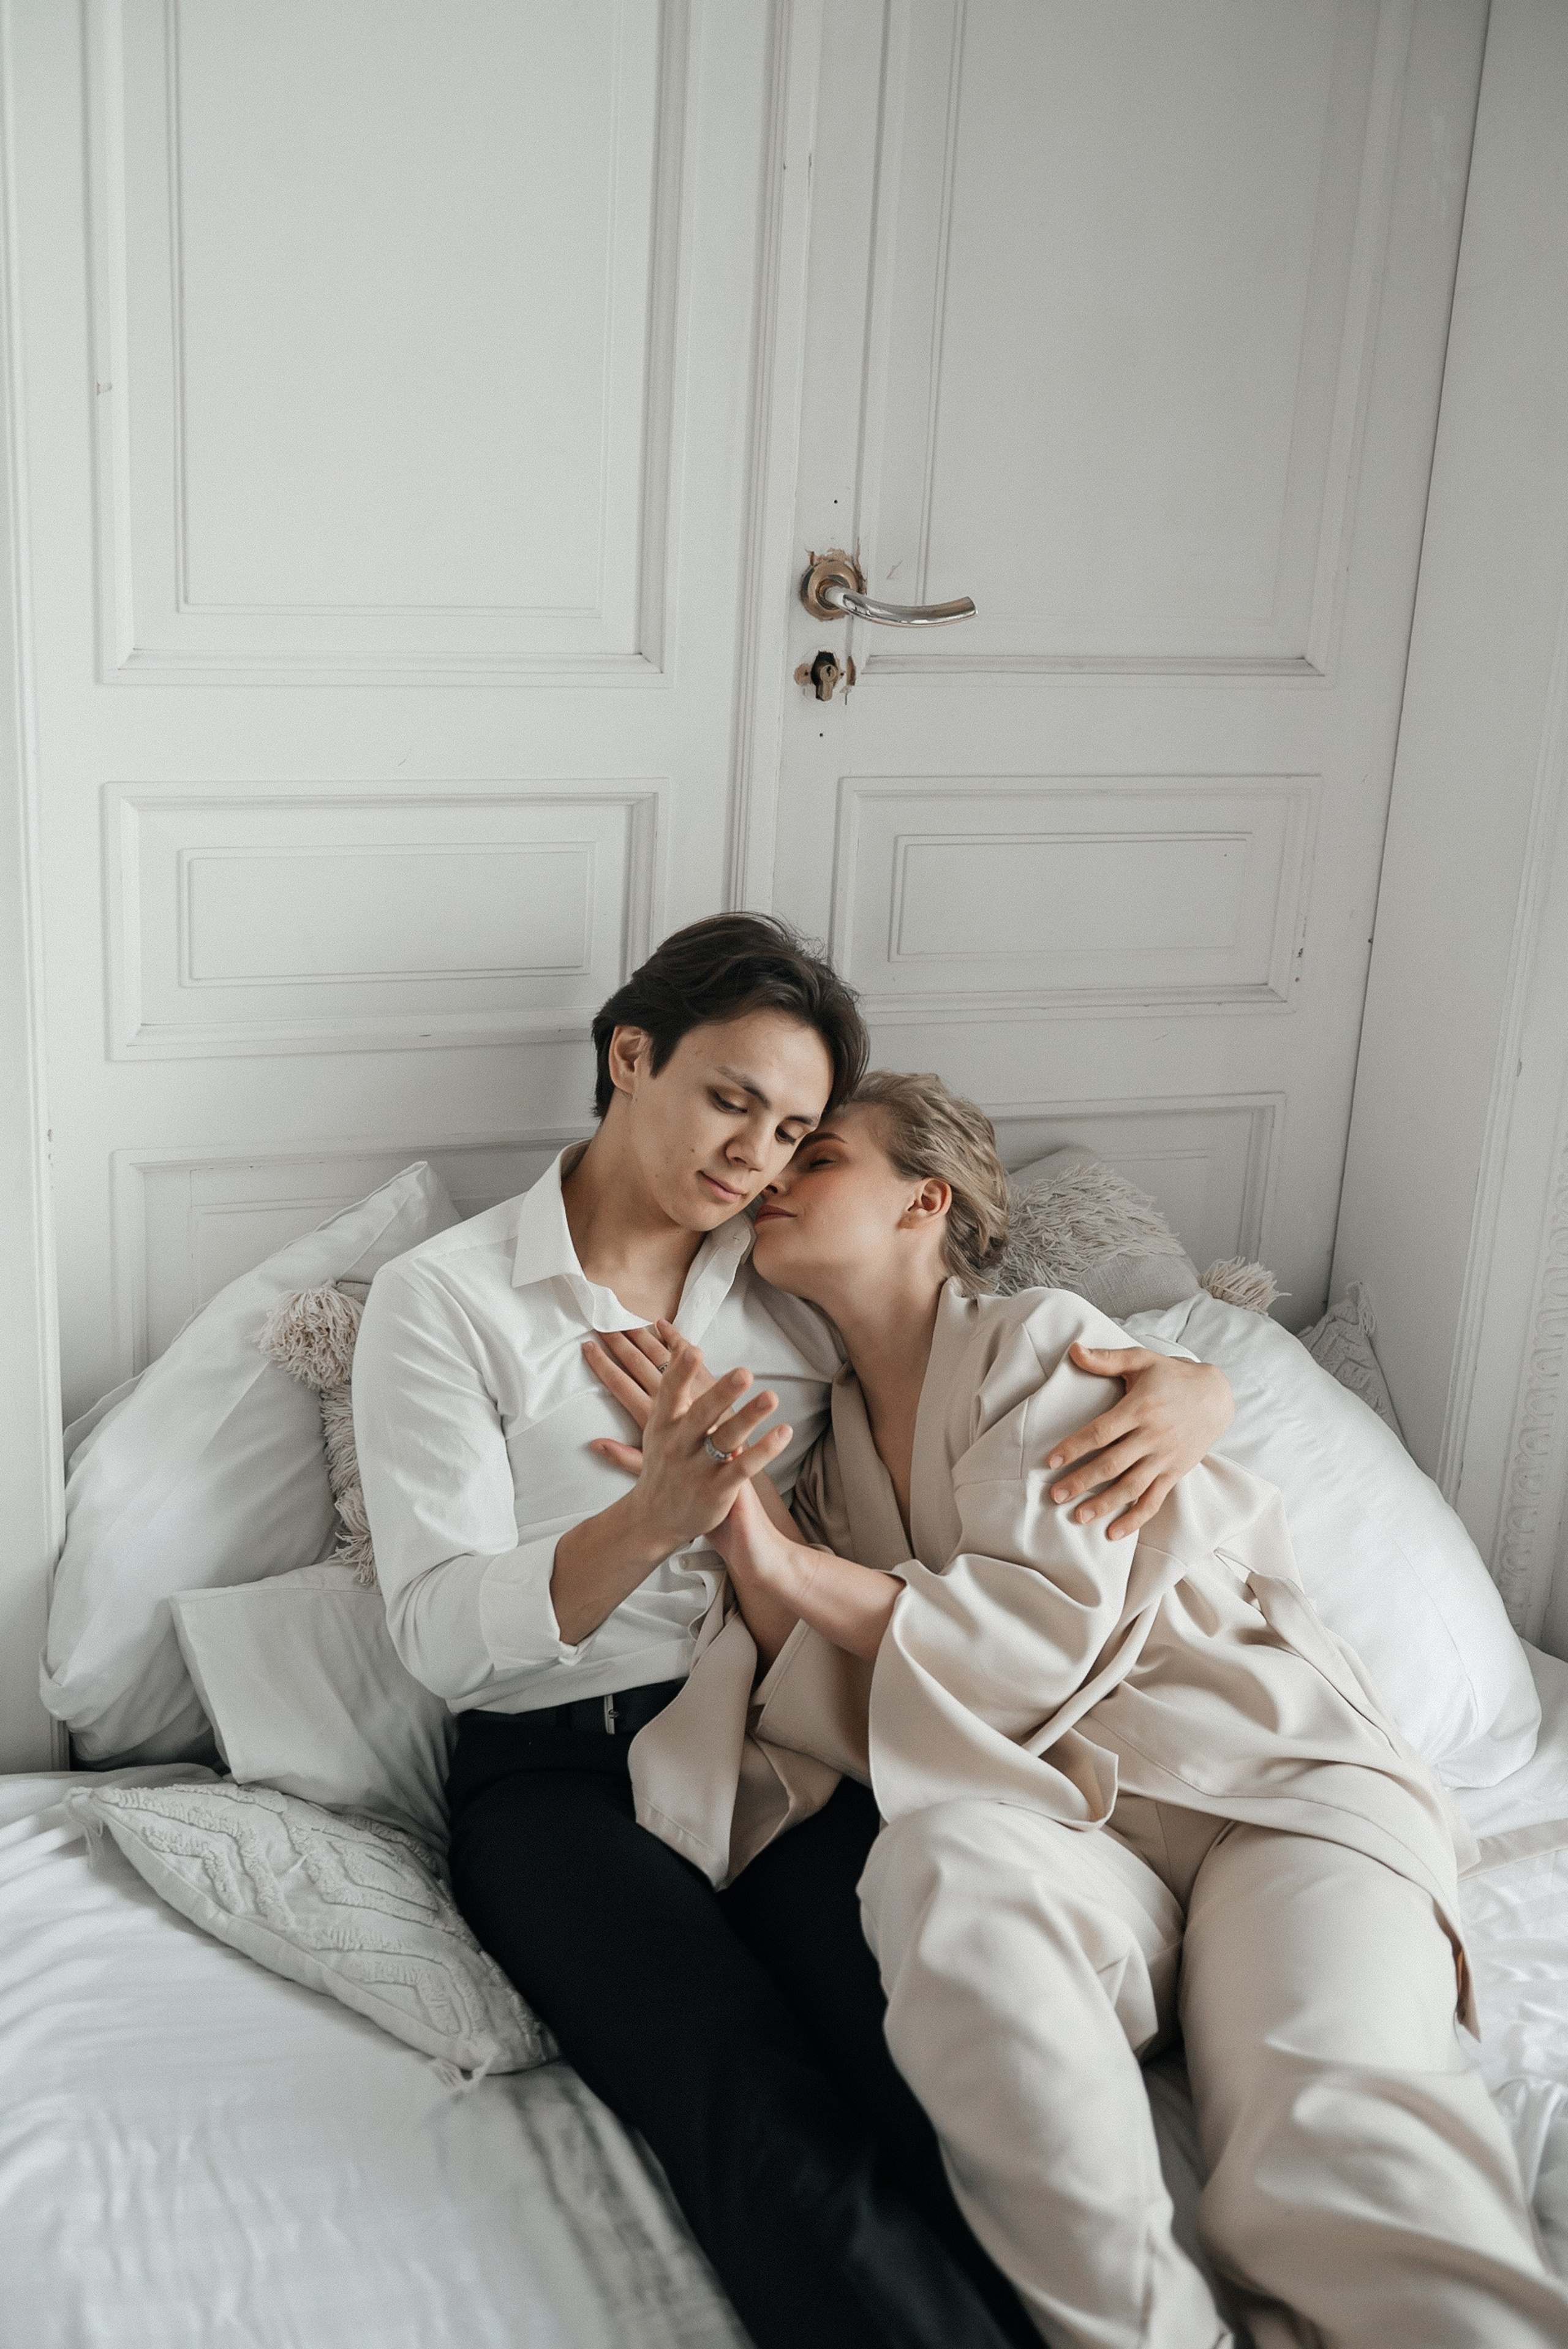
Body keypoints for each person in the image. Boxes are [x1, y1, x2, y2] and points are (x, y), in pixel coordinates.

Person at [351, 915, 1235, 2349]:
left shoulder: (781, 1277)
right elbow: (441, 1634)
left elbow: (985, 1338)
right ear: (629, 1056)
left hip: (780, 1743)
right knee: (741, 2099)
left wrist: (1200, 1389)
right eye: (728, 1101)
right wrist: (657, 1515)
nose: (755, 1157)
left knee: (924, 2077)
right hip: (553, 1773)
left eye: (793, 1130)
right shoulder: (445, 1303)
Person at [587, 1070, 1568, 2349]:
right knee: (930, 1867)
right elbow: (830, 1703)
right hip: (1071, 1834)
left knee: (1325, 2136)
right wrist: (734, 1516)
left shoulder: (1042, 1342)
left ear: (921, 1200)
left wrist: (780, 1564)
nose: (770, 1179)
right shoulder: (823, 1467)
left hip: (1257, 1794)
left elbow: (1037, 1638)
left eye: (815, 1156)